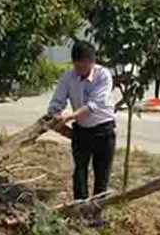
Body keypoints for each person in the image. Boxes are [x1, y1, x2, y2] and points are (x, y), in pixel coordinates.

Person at [48, 40, 117, 200]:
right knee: (79, 172)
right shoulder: (68, 76)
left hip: (103, 130)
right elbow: (57, 101)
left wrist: (70, 116)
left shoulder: (103, 75)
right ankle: (79, 209)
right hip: (81, 130)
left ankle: (96, 212)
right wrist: (55, 113)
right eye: (77, 66)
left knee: (102, 173)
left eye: (83, 66)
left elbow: (94, 104)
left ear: (92, 62)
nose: (80, 70)